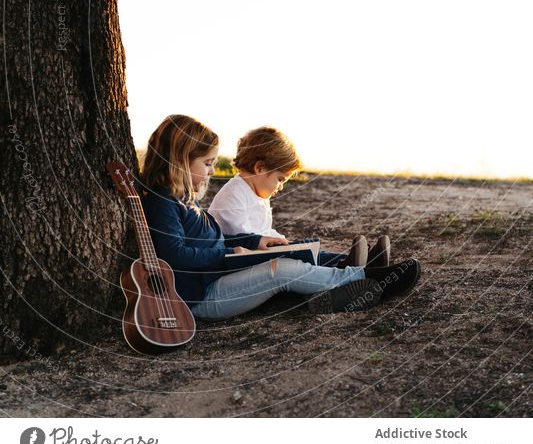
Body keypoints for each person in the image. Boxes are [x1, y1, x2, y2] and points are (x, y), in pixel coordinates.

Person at [141, 114, 421, 321]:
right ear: (179, 159)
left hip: (215, 280)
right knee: (281, 270)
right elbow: (172, 257)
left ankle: (354, 275)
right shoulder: (162, 202)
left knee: (286, 257)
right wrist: (228, 252)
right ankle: (367, 277)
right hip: (200, 297)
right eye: (207, 164)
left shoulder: (184, 201)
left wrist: (253, 240)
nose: (213, 171)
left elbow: (213, 242)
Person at [208, 125, 392, 269]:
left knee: (310, 251)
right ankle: (347, 265)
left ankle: (363, 261)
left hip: (261, 253)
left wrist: (281, 240)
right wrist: (280, 246)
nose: (280, 187)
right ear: (260, 168)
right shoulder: (233, 195)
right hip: (244, 261)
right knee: (303, 254)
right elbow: (238, 239)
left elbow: (264, 230)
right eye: (280, 179)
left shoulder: (255, 192)